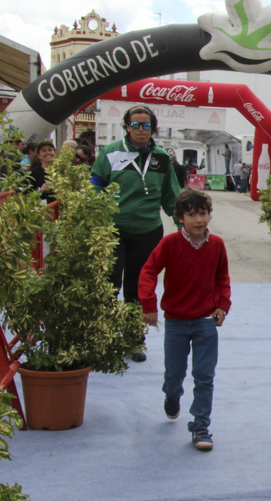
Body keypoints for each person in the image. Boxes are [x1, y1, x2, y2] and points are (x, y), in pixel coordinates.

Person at [137, 189, 231, 452]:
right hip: (176, 322)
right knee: (174, 373)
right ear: (180, 218)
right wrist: (148, 304)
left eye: (202, 213)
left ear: (209, 215)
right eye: (191, 215)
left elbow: (222, 278)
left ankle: (200, 425)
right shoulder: (169, 244)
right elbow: (148, 271)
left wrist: (223, 306)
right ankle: (172, 394)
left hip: (205, 322)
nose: (198, 220)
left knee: (204, 376)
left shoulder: (218, 245)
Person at [91, 105, 181, 362]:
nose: (141, 130)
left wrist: (183, 225)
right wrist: (93, 214)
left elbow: (171, 196)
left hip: (147, 232)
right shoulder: (109, 153)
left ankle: (133, 340)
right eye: (135, 124)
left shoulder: (162, 157)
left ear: (153, 128)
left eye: (146, 125)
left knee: (136, 287)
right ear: (127, 127)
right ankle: (104, 340)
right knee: (109, 286)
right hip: (112, 231)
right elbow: (95, 184)